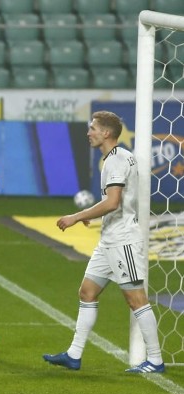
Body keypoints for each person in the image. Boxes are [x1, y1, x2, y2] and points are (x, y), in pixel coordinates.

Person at [43, 111, 165, 374]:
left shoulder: (116, 160)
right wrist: (91, 215)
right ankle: (74, 355)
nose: (89, 133)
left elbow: (113, 202)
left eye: (93, 128)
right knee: (87, 292)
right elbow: (111, 203)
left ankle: (155, 359)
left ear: (106, 133)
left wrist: (77, 216)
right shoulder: (115, 158)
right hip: (109, 240)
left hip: (123, 242)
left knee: (136, 300)